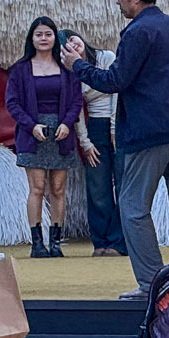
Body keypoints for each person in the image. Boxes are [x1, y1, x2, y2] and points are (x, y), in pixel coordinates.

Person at [66, 0, 169, 301]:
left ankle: (151, 286)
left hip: (148, 134)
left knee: (132, 209)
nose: (117, 0)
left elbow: (114, 81)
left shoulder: (136, 33)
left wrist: (77, 64)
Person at [5, 17, 83, 259]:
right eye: (38, 34)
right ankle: (37, 243)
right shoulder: (20, 69)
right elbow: (12, 103)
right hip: (33, 133)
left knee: (58, 189)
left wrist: (67, 124)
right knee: (37, 189)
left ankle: (56, 241)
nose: (43, 39)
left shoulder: (67, 68)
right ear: (31, 38)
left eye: (48, 34)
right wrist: (31, 126)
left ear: (54, 37)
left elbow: (76, 101)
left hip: (62, 133)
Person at [61, 30, 124, 258]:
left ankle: (119, 242)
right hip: (94, 128)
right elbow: (76, 109)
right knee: (98, 188)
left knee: (124, 185)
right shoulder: (70, 71)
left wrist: (115, 129)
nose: (72, 44)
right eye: (66, 44)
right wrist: (85, 143)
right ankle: (100, 242)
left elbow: (117, 90)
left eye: (72, 38)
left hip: (120, 123)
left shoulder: (106, 57)